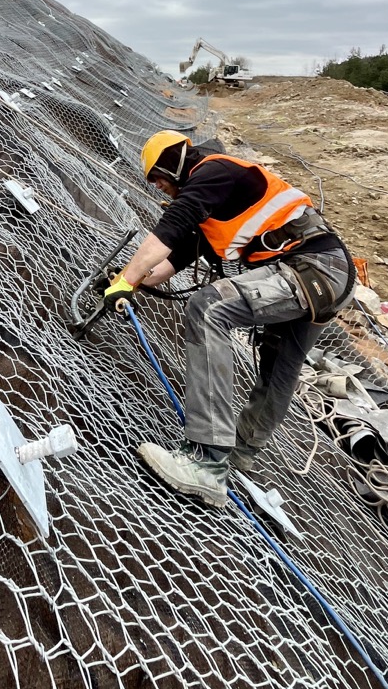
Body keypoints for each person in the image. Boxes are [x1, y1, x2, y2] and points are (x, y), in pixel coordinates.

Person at [101, 131, 356, 508]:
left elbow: (170, 228)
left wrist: (126, 278)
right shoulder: (215, 205)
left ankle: (207, 462)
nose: (157, 186)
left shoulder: (214, 170)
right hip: (328, 277)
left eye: (157, 177)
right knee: (279, 368)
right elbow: (171, 261)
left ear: (171, 163)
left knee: (208, 309)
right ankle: (239, 456)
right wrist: (131, 281)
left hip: (313, 268)